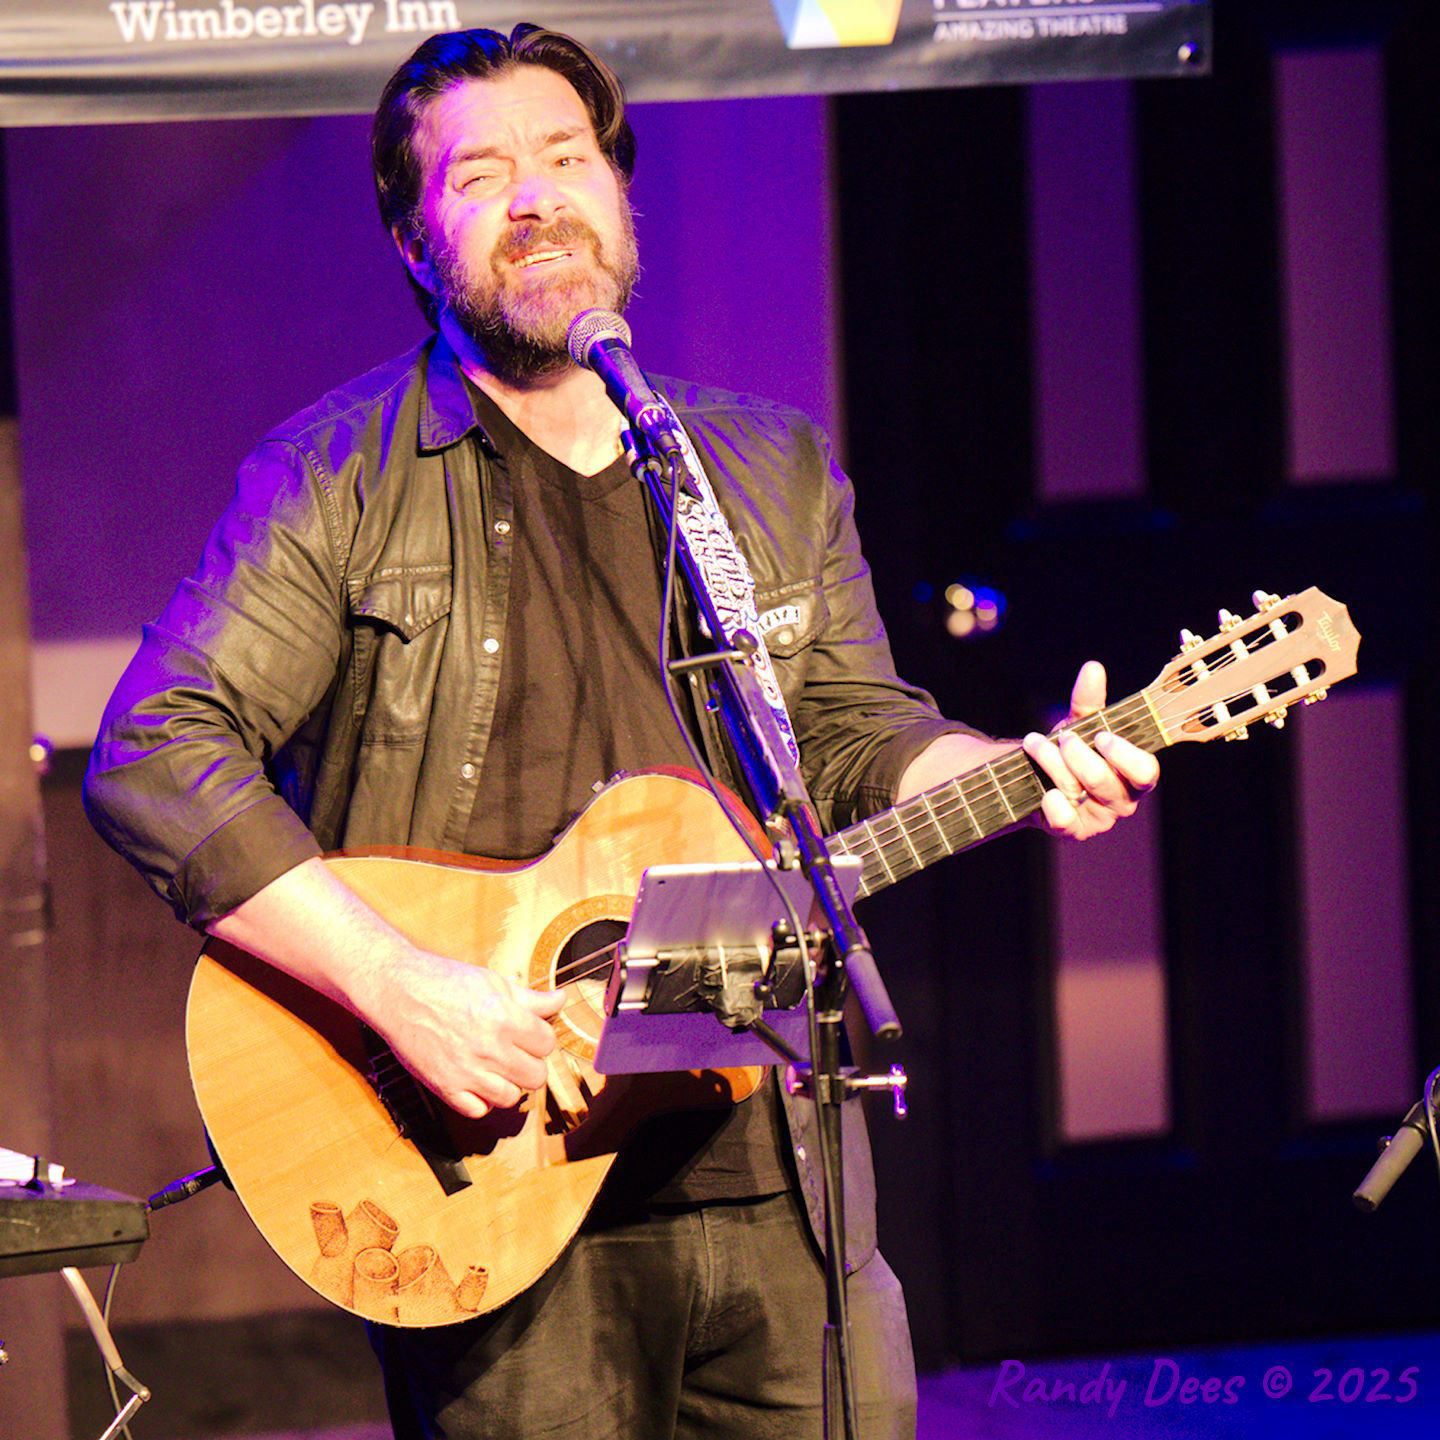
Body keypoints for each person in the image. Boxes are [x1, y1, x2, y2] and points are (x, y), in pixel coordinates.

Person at [84, 24, 1159, 1440]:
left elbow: (848, 735)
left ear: (618, 194)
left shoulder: (760, 466)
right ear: (415, 242)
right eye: (482, 175)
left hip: (778, 1168)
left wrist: (1015, 776)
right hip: (492, 1184)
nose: (537, 197)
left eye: (567, 156)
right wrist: (403, 986)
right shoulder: (334, 480)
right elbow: (156, 750)